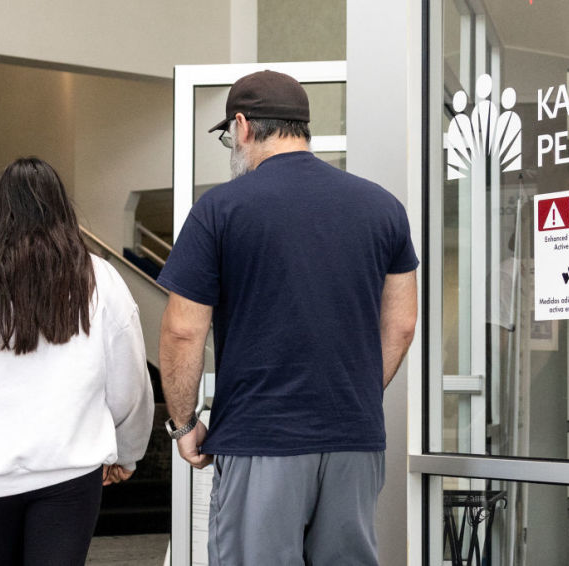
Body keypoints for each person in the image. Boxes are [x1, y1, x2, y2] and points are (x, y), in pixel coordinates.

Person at [158, 70, 419, 565]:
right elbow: (403, 321)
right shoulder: (382, 207)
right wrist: (356, 390)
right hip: (355, 442)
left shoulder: (220, 208)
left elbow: (182, 328)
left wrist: (184, 422)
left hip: (262, 438)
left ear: (243, 126)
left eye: (228, 135)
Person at [0, 157, 154, 565]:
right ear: (60, 206)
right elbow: (129, 377)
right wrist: (127, 449)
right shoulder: (97, 276)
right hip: (71, 475)